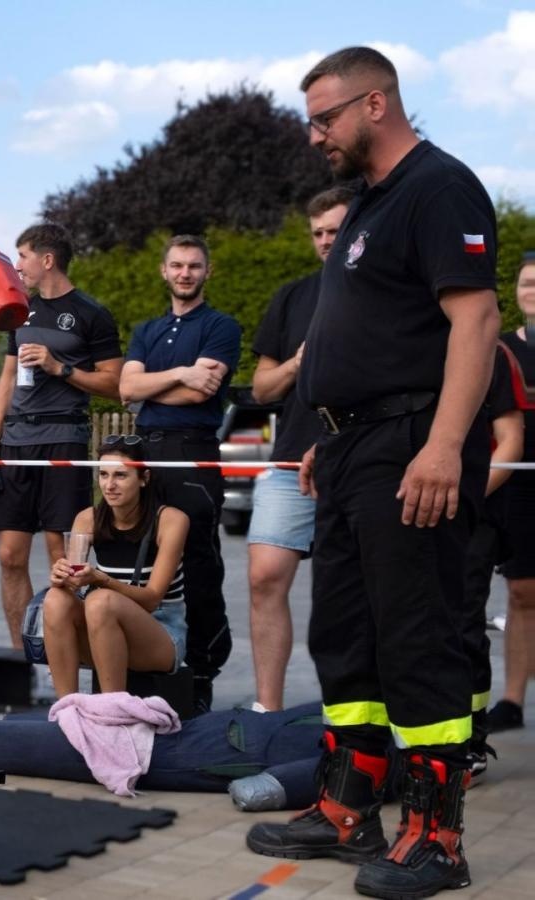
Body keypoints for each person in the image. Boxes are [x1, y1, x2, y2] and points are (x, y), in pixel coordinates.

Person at [245, 47, 502, 899]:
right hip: (354, 448)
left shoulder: (438, 187)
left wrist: (440, 444)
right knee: (347, 635)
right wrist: (334, 433)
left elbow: (475, 320)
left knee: (416, 638)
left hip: (413, 445)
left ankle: (437, 837)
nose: (315, 134)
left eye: (326, 117)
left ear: (377, 103)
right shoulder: (366, 205)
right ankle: (349, 807)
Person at [0, 223, 122, 648]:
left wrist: (59, 366)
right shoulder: (18, 310)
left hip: (65, 441)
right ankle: (23, 656)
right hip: (16, 446)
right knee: (9, 557)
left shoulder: (91, 314)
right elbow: (7, 378)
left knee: (62, 557)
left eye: (21, 256)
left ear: (47, 260)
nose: (15, 266)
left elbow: (114, 384)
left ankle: (63, 656)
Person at [120, 234, 241, 712]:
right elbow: (125, 388)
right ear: (163, 271)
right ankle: (146, 662)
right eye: (177, 265)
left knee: (198, 564)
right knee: (140, 559)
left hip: (193, 453)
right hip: (145, 456)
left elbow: (200, 393)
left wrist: (152, 386)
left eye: (194, 266)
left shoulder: (221, 326)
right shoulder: (147, 330)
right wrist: (178, 374)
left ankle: (203, 669)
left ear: (206, 272)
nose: (185, 273)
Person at [246, 186, 355, 712]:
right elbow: (261, 388)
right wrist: (298, 362)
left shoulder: (386, 289)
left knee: (360, 592)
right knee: (264, 577)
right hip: (290, 462)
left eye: (336, 230)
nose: (326, 241)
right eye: (318, 233)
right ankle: (269, 710)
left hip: (360, 460)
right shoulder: (292, 297)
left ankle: (363, 712)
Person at [41, 436, 189, 698]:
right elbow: (73, 586)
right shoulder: (87, 519)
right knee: (55, 599)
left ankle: (112, 711)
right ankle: (66, 709)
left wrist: (100, 579)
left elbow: (153, 599)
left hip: (161, 635)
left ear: (144, 478)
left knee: (100, 601)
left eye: (121, 475)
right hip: (104, 628)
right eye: (104, 475)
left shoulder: (171, 520)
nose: (109, 485)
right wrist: (62, 577)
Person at [461, 347, 522, 770]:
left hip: (472, 515)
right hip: (398, 513)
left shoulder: (492, 353)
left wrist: (462, 494)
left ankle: (471, 739)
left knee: (462, 625)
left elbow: (511, 437)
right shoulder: (396, 336)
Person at [488, 253, 535, 734]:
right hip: (518, 483)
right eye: (527, 283)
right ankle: (512, 699)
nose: (533, 291)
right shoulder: (501, 350)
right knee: (522, 592)